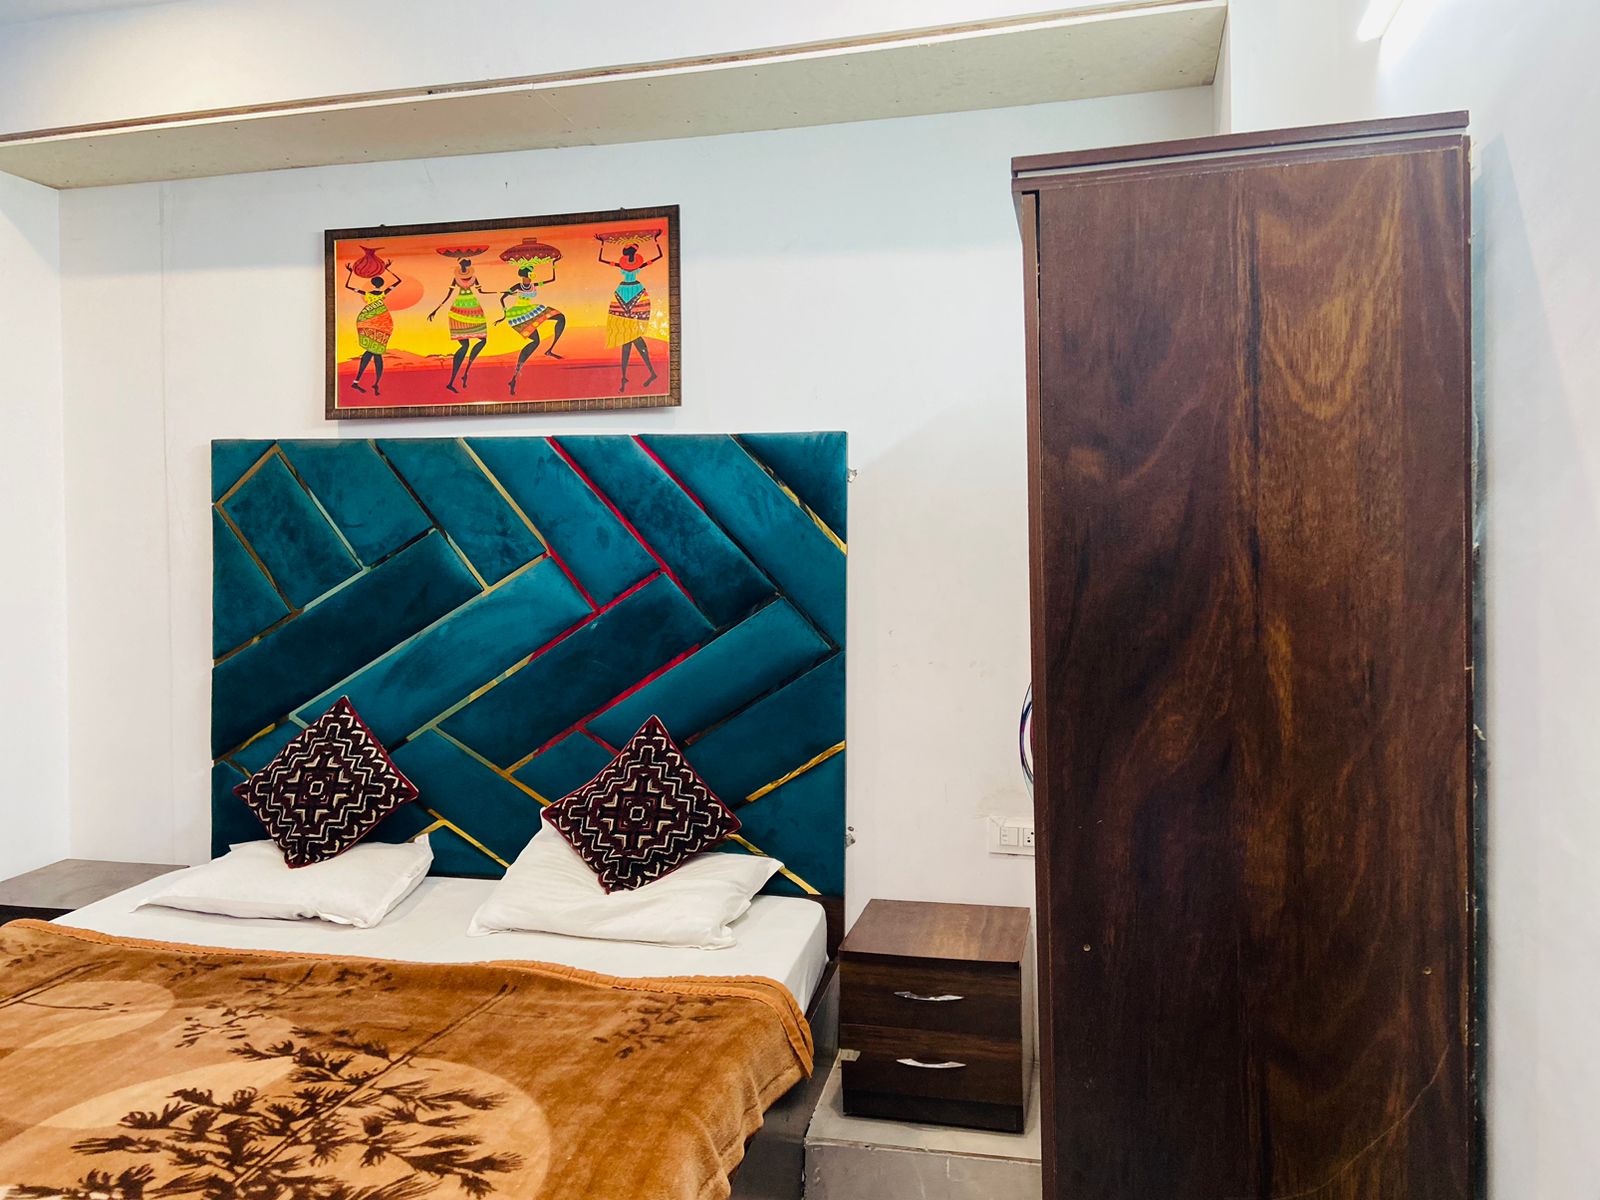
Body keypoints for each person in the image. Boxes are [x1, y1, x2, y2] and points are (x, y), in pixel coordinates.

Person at [597, 235, 663, 392]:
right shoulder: (633, 264)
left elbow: (601, 259)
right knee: (628, 336)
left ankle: (627, 376)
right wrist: (656, 240)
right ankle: (634, 375)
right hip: (630, 291)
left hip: (629, 292)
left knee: (628, 336)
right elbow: (659, 256)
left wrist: (602, 244)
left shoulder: (625, 265)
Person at [496, 262, 567, 396]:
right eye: (529, 275)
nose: (530, 277)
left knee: (561, 317)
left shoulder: (534, 285)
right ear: (524, 275)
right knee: (535, 342)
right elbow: (502, 298)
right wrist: (504, 315)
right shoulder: (518, 286)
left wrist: (554, 264)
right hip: (520, 314)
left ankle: (550, 350)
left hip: (531, 311)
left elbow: (552, 279)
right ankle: (515, 377)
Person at [427, 254, 491, 392]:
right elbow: (448, 295)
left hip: (472, 310)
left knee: (478, 341)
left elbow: (482, 291)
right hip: (462, 310)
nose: (464, 266)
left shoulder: (471, 277)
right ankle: (455, 379)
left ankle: (464, 373)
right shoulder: (458, 278)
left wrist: (498, 292)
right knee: (467, 345)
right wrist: (436, 309)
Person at [343, 259, 401, 395]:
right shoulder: (383, 293)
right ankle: (374, 384)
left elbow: (348, 286)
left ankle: (359, 382)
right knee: (376, 353)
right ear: (382, 284)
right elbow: (399, 281)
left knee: (372, 352)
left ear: (372, 284)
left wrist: (350, 272)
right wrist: (387, 269)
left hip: (368, 320)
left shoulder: (367, 294)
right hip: (380, 322)